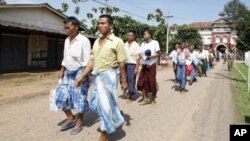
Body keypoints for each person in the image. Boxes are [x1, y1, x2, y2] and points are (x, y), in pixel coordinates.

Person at [75, 14, 127, 141]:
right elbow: (91, 61)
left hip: (109, 76)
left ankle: (104, 134)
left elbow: (121, 63)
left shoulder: (117, 41)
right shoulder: (97, 42)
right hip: (97, 77)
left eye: (103, 23)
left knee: (105, 106)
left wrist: (124, 80)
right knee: (98, 105)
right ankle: (114, 118)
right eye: (99, 23)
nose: (100, 26)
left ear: (110, 25)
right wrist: (82, 76)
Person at [55, 16, 91, 135]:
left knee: (79, 98)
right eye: (65, 28)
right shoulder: (67, 40)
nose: (66, 30)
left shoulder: (84, 40)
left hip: (80, 71)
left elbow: (87, 60)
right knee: (60, 97)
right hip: (68, 72)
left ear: (76, 27)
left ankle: (79, 122)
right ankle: (71, 118)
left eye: (68, 28)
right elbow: (66, 58)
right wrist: (62, 69)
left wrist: (84, 77)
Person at [137, 29, 160, 104]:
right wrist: (141, 57)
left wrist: (150, 57)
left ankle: (153, 99)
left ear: (149, 35)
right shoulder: (143, 44)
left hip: (151, 65)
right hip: (144, 65)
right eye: (143, 34)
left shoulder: (155, 43)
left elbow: (158, 54)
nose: (143, 35)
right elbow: (140, 53)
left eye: (145, 34)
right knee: (141, 82)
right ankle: (145, 97)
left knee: (151, 82)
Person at [124, 30, 140, 101]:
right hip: (124, 64)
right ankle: (131, 90)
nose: (129, 36)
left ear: (134, 37)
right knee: (125, 79)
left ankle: (131, 93)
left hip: (132, 64)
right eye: (128, 35)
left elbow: (138, 57)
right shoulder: (125, 44)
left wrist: (137, 68)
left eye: (131, 35)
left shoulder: (136, 45)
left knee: (131, 79)